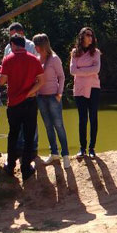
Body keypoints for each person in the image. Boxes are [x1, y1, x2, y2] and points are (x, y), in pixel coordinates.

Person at [0, 35, 45, 182]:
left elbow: (2, 82)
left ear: (13, 45)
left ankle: (10, 166)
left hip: (14, 104)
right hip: (30, 103)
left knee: (13, 134)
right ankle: (26, 168)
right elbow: (42, 81)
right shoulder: (34, 59)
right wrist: (29, 92)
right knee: (29, 135)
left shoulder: (8, 59)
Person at [34, 33, 71, 169]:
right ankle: (54, 153)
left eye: (36, 45)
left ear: (42, 45)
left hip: (53, 96)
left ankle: (65, 155)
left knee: (59, 126)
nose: (35, 48)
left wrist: (59, 93)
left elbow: (61, 77)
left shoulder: (54, 59)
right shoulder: (37, 59)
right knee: (48, 126)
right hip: (41, 98)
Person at [2, 22, 38, 157]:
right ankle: (18, 150)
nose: (12, 39)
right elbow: (5, 68)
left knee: (30, 124)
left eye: (13, 35)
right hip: (14, 91)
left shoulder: (31, 46)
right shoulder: (8, 48)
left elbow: (38, 69)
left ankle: (32, 148)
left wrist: (32, 89)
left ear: (21, 33)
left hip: (29, 90)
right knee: (15, 127)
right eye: (10, 36)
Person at [70, 27, 102, 158]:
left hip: (94, 88)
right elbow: (72, 71)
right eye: (88, 35)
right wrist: (88, 70)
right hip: (79, 89)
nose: (90, 37)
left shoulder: (96, 52)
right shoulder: (74, 52)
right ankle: (82, 148)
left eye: (91, 35)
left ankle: (92, 148)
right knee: (82, 119)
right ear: (82, 36)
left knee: (93, 118)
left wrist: (81, 70)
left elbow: (97, 69)